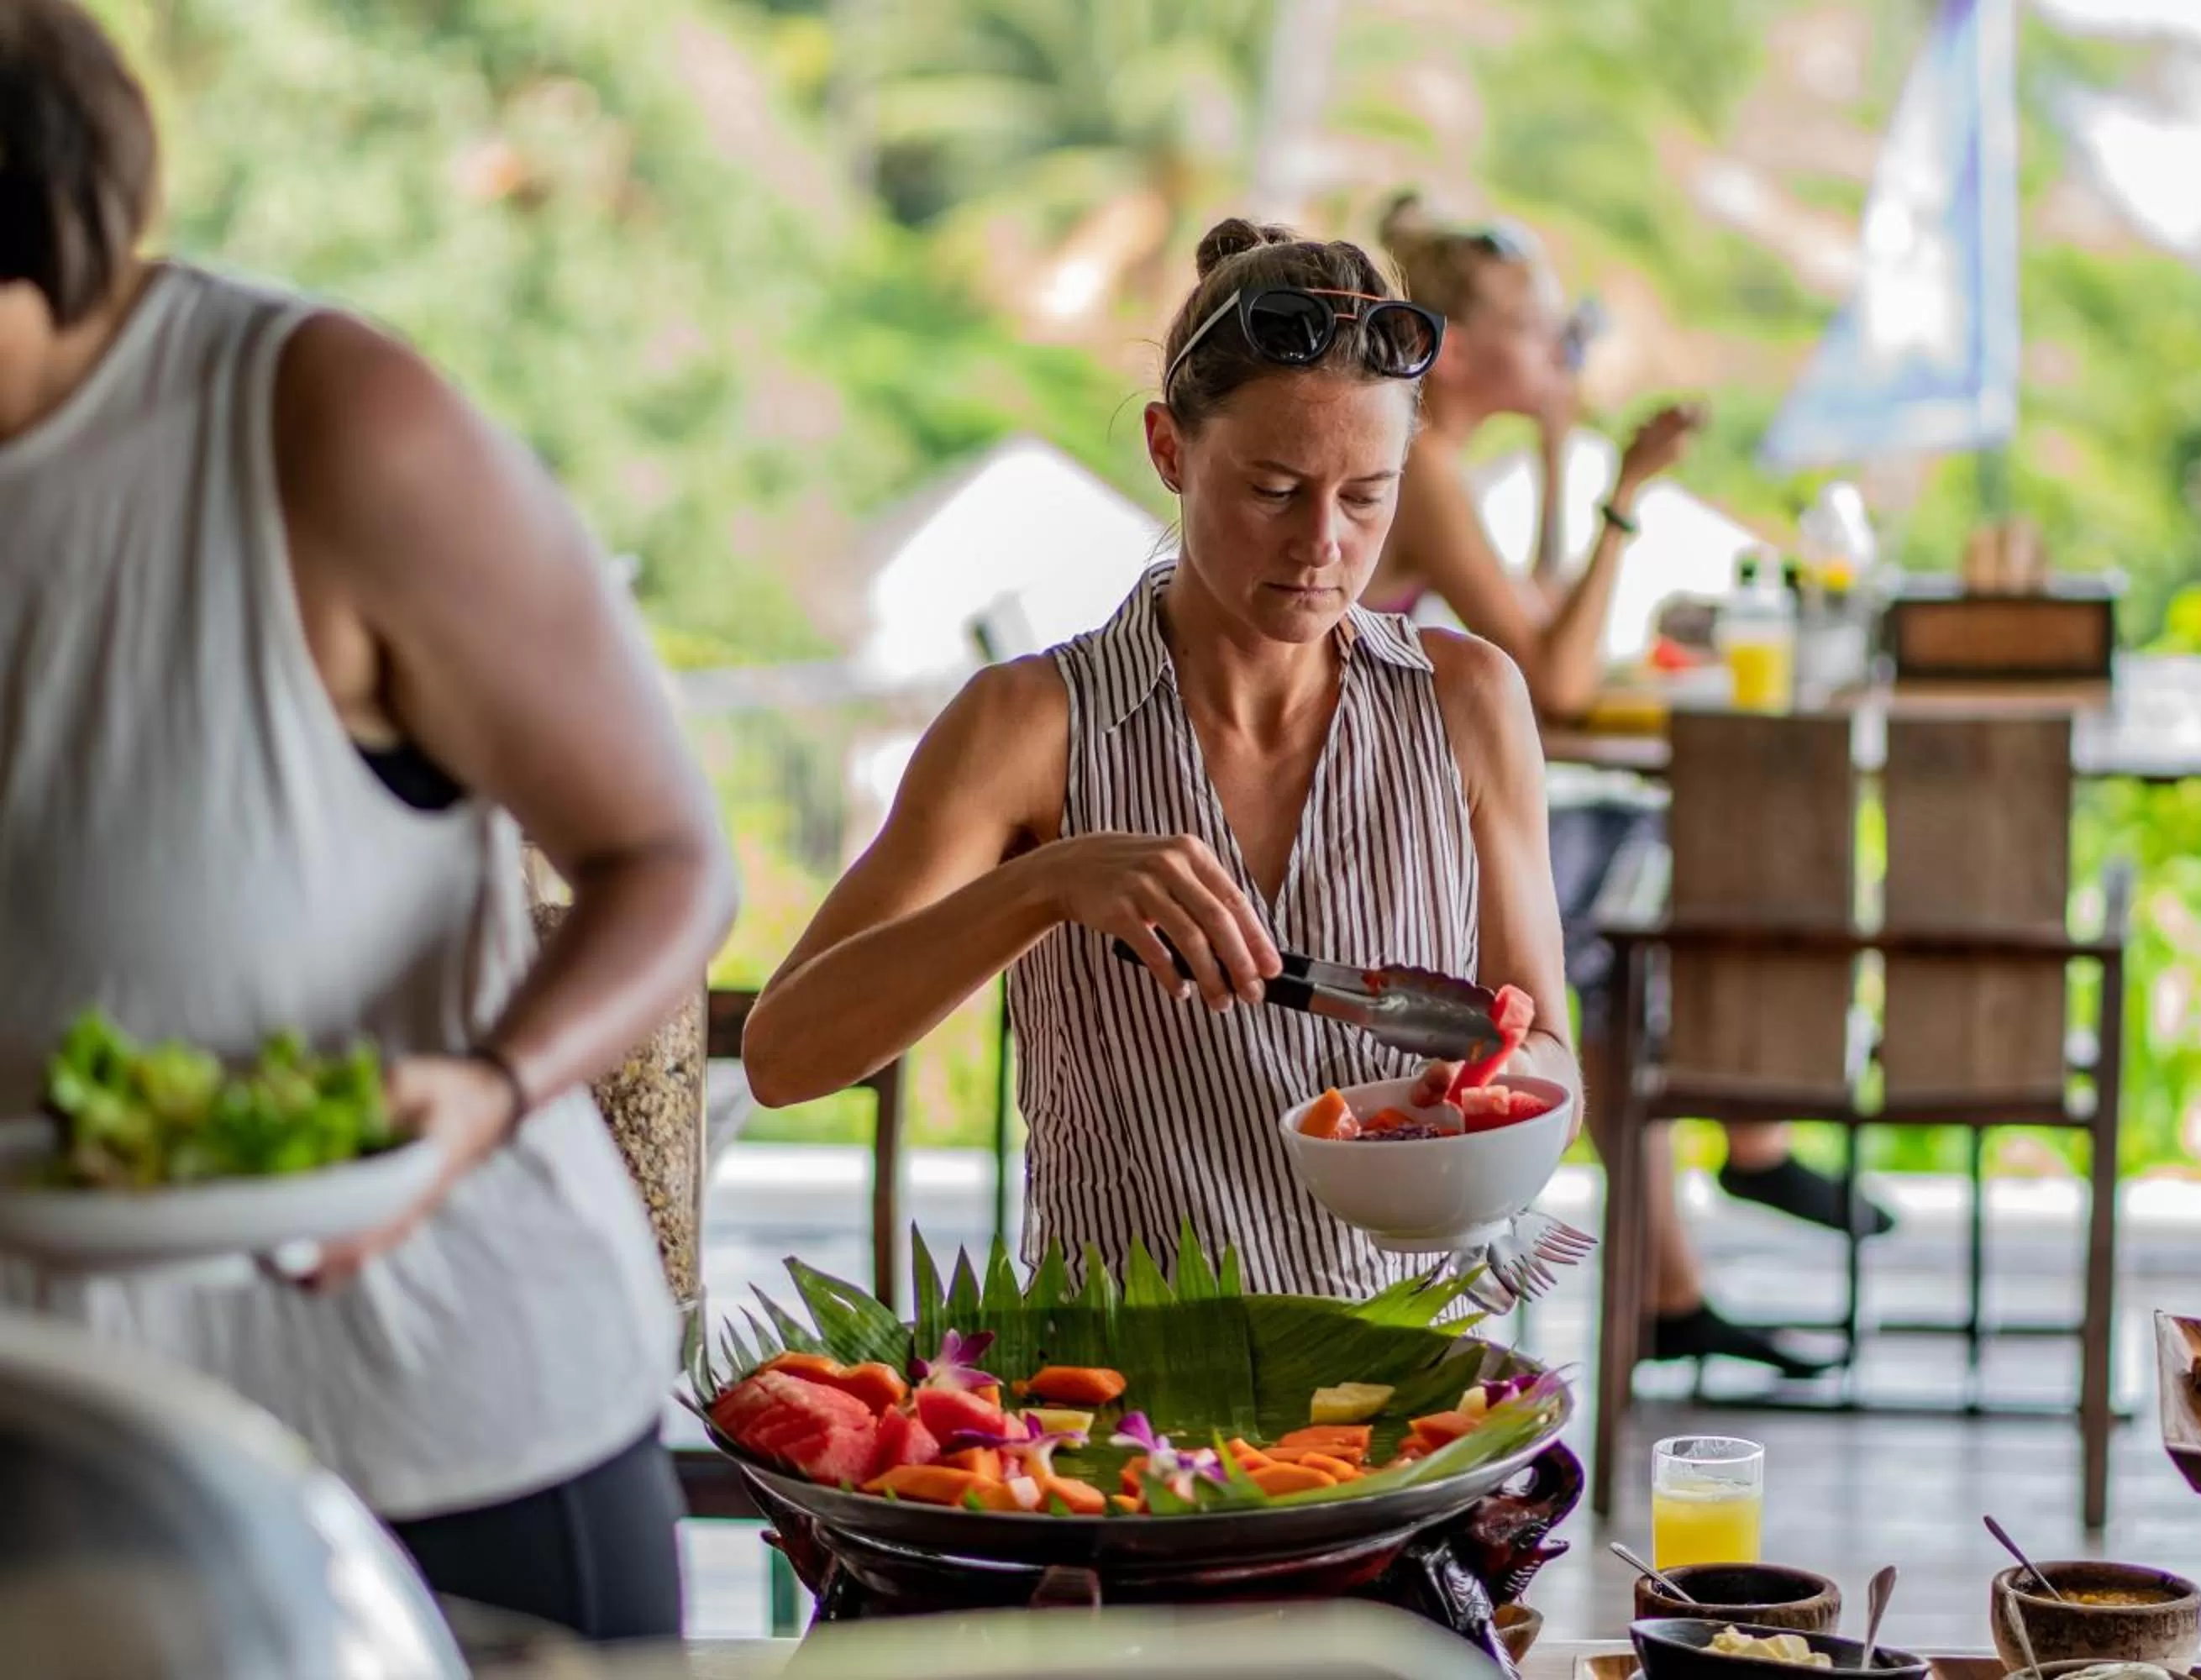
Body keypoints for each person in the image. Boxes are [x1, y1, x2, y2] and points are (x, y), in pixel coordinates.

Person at [0, 2, 734, 1641]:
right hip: (55, 1469)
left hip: (437, 1452)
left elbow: (669, 860)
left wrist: (488, 1091)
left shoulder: (313, 424)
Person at [745, 218, 1578, 1299]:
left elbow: (1545, 1042)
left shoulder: (1466, 702)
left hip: (1407, 1389)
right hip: (1122, 1408)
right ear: (1169, 450)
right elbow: (783, 1055)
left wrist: (1487, 1100)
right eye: (1273, 490)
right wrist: (1042, 885)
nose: (1322, 541)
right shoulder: (1032, 724)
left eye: (1368, 495)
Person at [1368, 194, 1893, 1376]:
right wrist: (1622, 492)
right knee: (1650, 870)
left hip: (1414, 801)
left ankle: (1676, 1277)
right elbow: (1554, 680)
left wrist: (1566, 454)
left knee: (1619, 932)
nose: (1560, 342)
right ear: (1452, 340)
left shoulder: (1437, 460)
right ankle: (1749, 1143)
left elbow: (1540, 623)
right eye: (1533, 321)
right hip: (1386, 835)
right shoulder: (1422, 463)